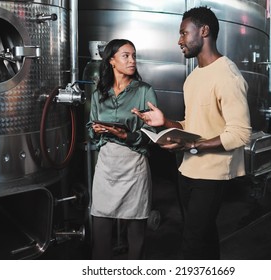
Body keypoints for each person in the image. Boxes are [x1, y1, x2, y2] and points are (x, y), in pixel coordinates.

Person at [132, 6, 251, 259]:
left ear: (204, 31)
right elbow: (193, 125)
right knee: (204, 236)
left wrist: (193, 147)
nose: (179, 40)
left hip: (212, 174)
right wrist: (165, 122)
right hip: (187, 169)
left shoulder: (228, 75)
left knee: (191, 242)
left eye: (184, 33)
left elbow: (240, 134)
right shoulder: (193, 77)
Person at [87, 39, 158, 259]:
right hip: (107, 165)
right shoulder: (100, 93)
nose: (132, 60)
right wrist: (97, 130)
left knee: (136, 232)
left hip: (134, 165)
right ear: (112, 61)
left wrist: (127, 135)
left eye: (134, 55)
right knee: (100, 230)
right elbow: (90, 128)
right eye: (125, 55)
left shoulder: (144, 91)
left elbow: (153, 133)